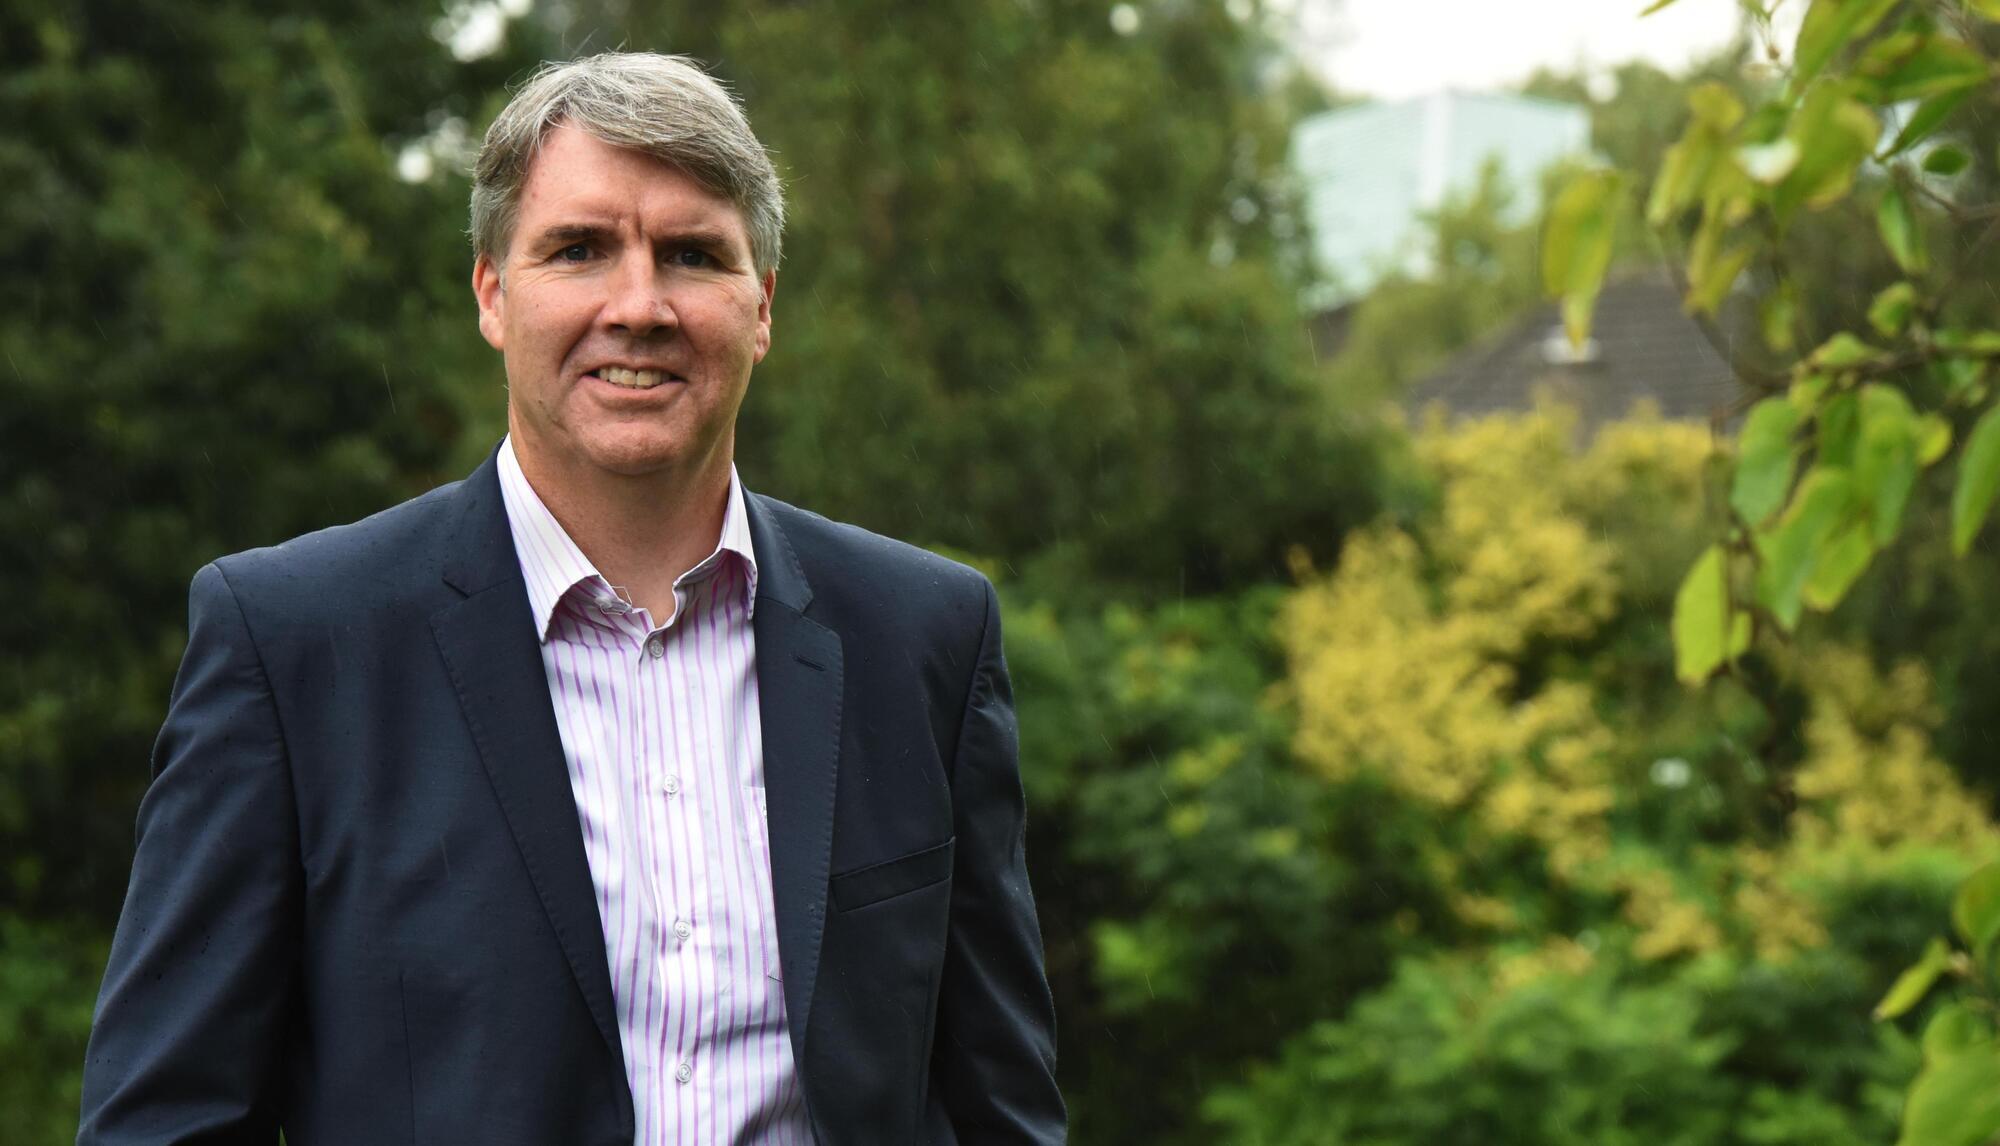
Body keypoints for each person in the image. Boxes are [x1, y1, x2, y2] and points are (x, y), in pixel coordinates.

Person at [77, 51, 1064, 1145]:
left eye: (693, 255)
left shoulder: (923, 639)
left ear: (763, 306)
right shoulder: (294, 645)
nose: (638, 307)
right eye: (579, 249)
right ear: (493, 293)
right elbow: (163, 1122)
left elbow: (1000, 1110)